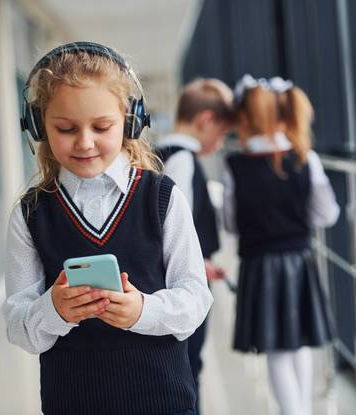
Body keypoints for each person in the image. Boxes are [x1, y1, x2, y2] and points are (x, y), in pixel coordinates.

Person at [2, 41, 212, 415]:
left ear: (130, 121)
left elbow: (196, 297)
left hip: (163, 402)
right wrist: (54, 309)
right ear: (38, 126)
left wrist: (141, 311)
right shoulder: (31, 213)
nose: (84, 142)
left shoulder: (161, 198)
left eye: (102, 126)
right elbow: (18, 325)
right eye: (65, 128)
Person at [222, 74, 339, 415]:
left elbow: (230, 223)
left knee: (276, 350)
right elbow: (326, 213)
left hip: (260, 264)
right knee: (298, 344)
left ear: (245, 119)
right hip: (299, 260)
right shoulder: (305, 159)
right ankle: (302, 409)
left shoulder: (236, 167)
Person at [155, 78, 234, 414]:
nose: (220, 143)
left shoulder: (160, 153)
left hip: (176, 276)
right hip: (180, 283)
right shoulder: (182, 160)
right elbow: (173, 229)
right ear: (206, 121)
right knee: (188, 367)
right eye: (223, 133)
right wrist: (195, 264)